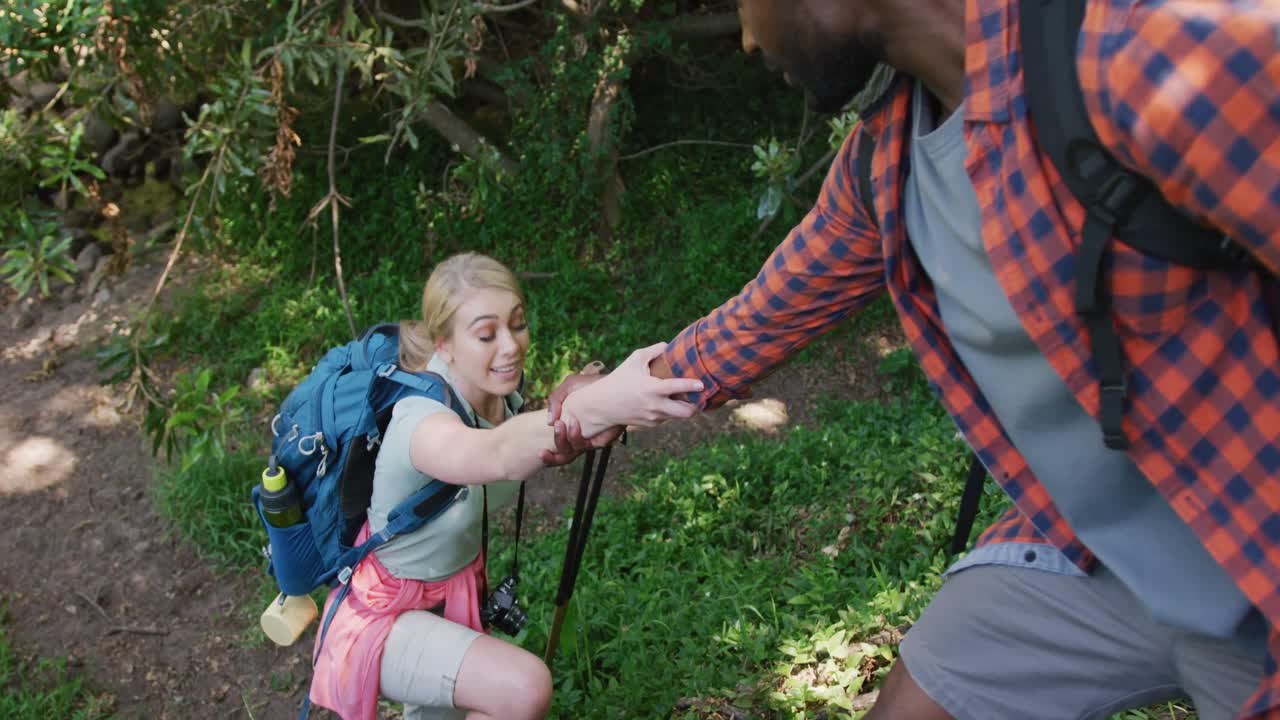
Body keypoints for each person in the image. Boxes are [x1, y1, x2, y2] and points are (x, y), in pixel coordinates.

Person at [547, 1, 1280, 718]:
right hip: (1087, 547)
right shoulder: (889, 151)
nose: (744, 35)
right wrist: (605, 399)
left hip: (1248, 566)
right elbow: (765, 313)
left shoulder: (1147, 52)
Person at [307, 252, 703, 720]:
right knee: (522, 688)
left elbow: (528, 437)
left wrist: (598, 393)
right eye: (486, 334)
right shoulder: (421, 421)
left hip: (449, 600)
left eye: (517, 324)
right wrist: (600, 404)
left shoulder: (496, 398)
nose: (512, 346)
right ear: (445, 344)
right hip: (384, 618)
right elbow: (494, 452)